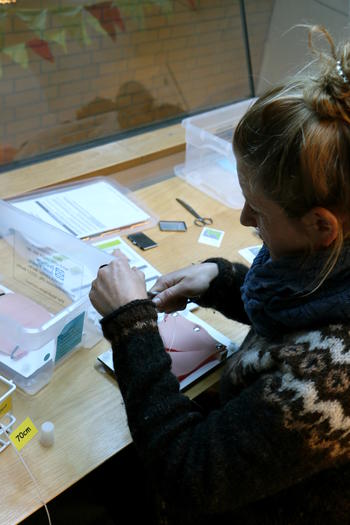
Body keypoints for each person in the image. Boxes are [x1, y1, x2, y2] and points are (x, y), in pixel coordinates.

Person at [89, 26, 350, 524]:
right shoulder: (328, 260)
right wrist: (221, 279)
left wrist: (132, 326)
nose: (244, 221)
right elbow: (295, 314)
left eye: (259, 211)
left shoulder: (329, 384)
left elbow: (188, 478)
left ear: (322, 226)